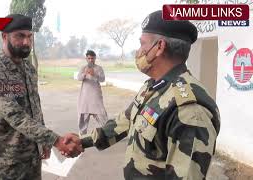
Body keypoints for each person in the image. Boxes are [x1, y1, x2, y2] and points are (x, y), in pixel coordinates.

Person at [74, 10, 221, 179]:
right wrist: (82, 141)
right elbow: (126, 120)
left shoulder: (189, 110)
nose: (139, 51)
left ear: (159, 47)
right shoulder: (153, 86)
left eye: (142, 44)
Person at [0, 14, 82, 180]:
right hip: (6, 164)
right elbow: (16, 116)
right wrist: (55, 140)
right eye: (20, 36)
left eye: (29, 36)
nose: (26, 42)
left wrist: (43, 142)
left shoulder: (29, 69)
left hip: (32, 158)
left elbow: (34, 106)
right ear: (4, 37)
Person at [77, 50, 108, 135]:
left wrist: (94, 74)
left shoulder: (99, 68)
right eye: (89, 58)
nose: (91, 60)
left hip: (95, 96)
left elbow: (102, 79)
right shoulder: (83, 68)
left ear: (95, 58)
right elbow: (78, 78)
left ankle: (109, 133)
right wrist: (85, 73)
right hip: (85, 97)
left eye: (92, 58)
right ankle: (82, 135)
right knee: (83, 117)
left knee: (102, 114)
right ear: (86, 58)